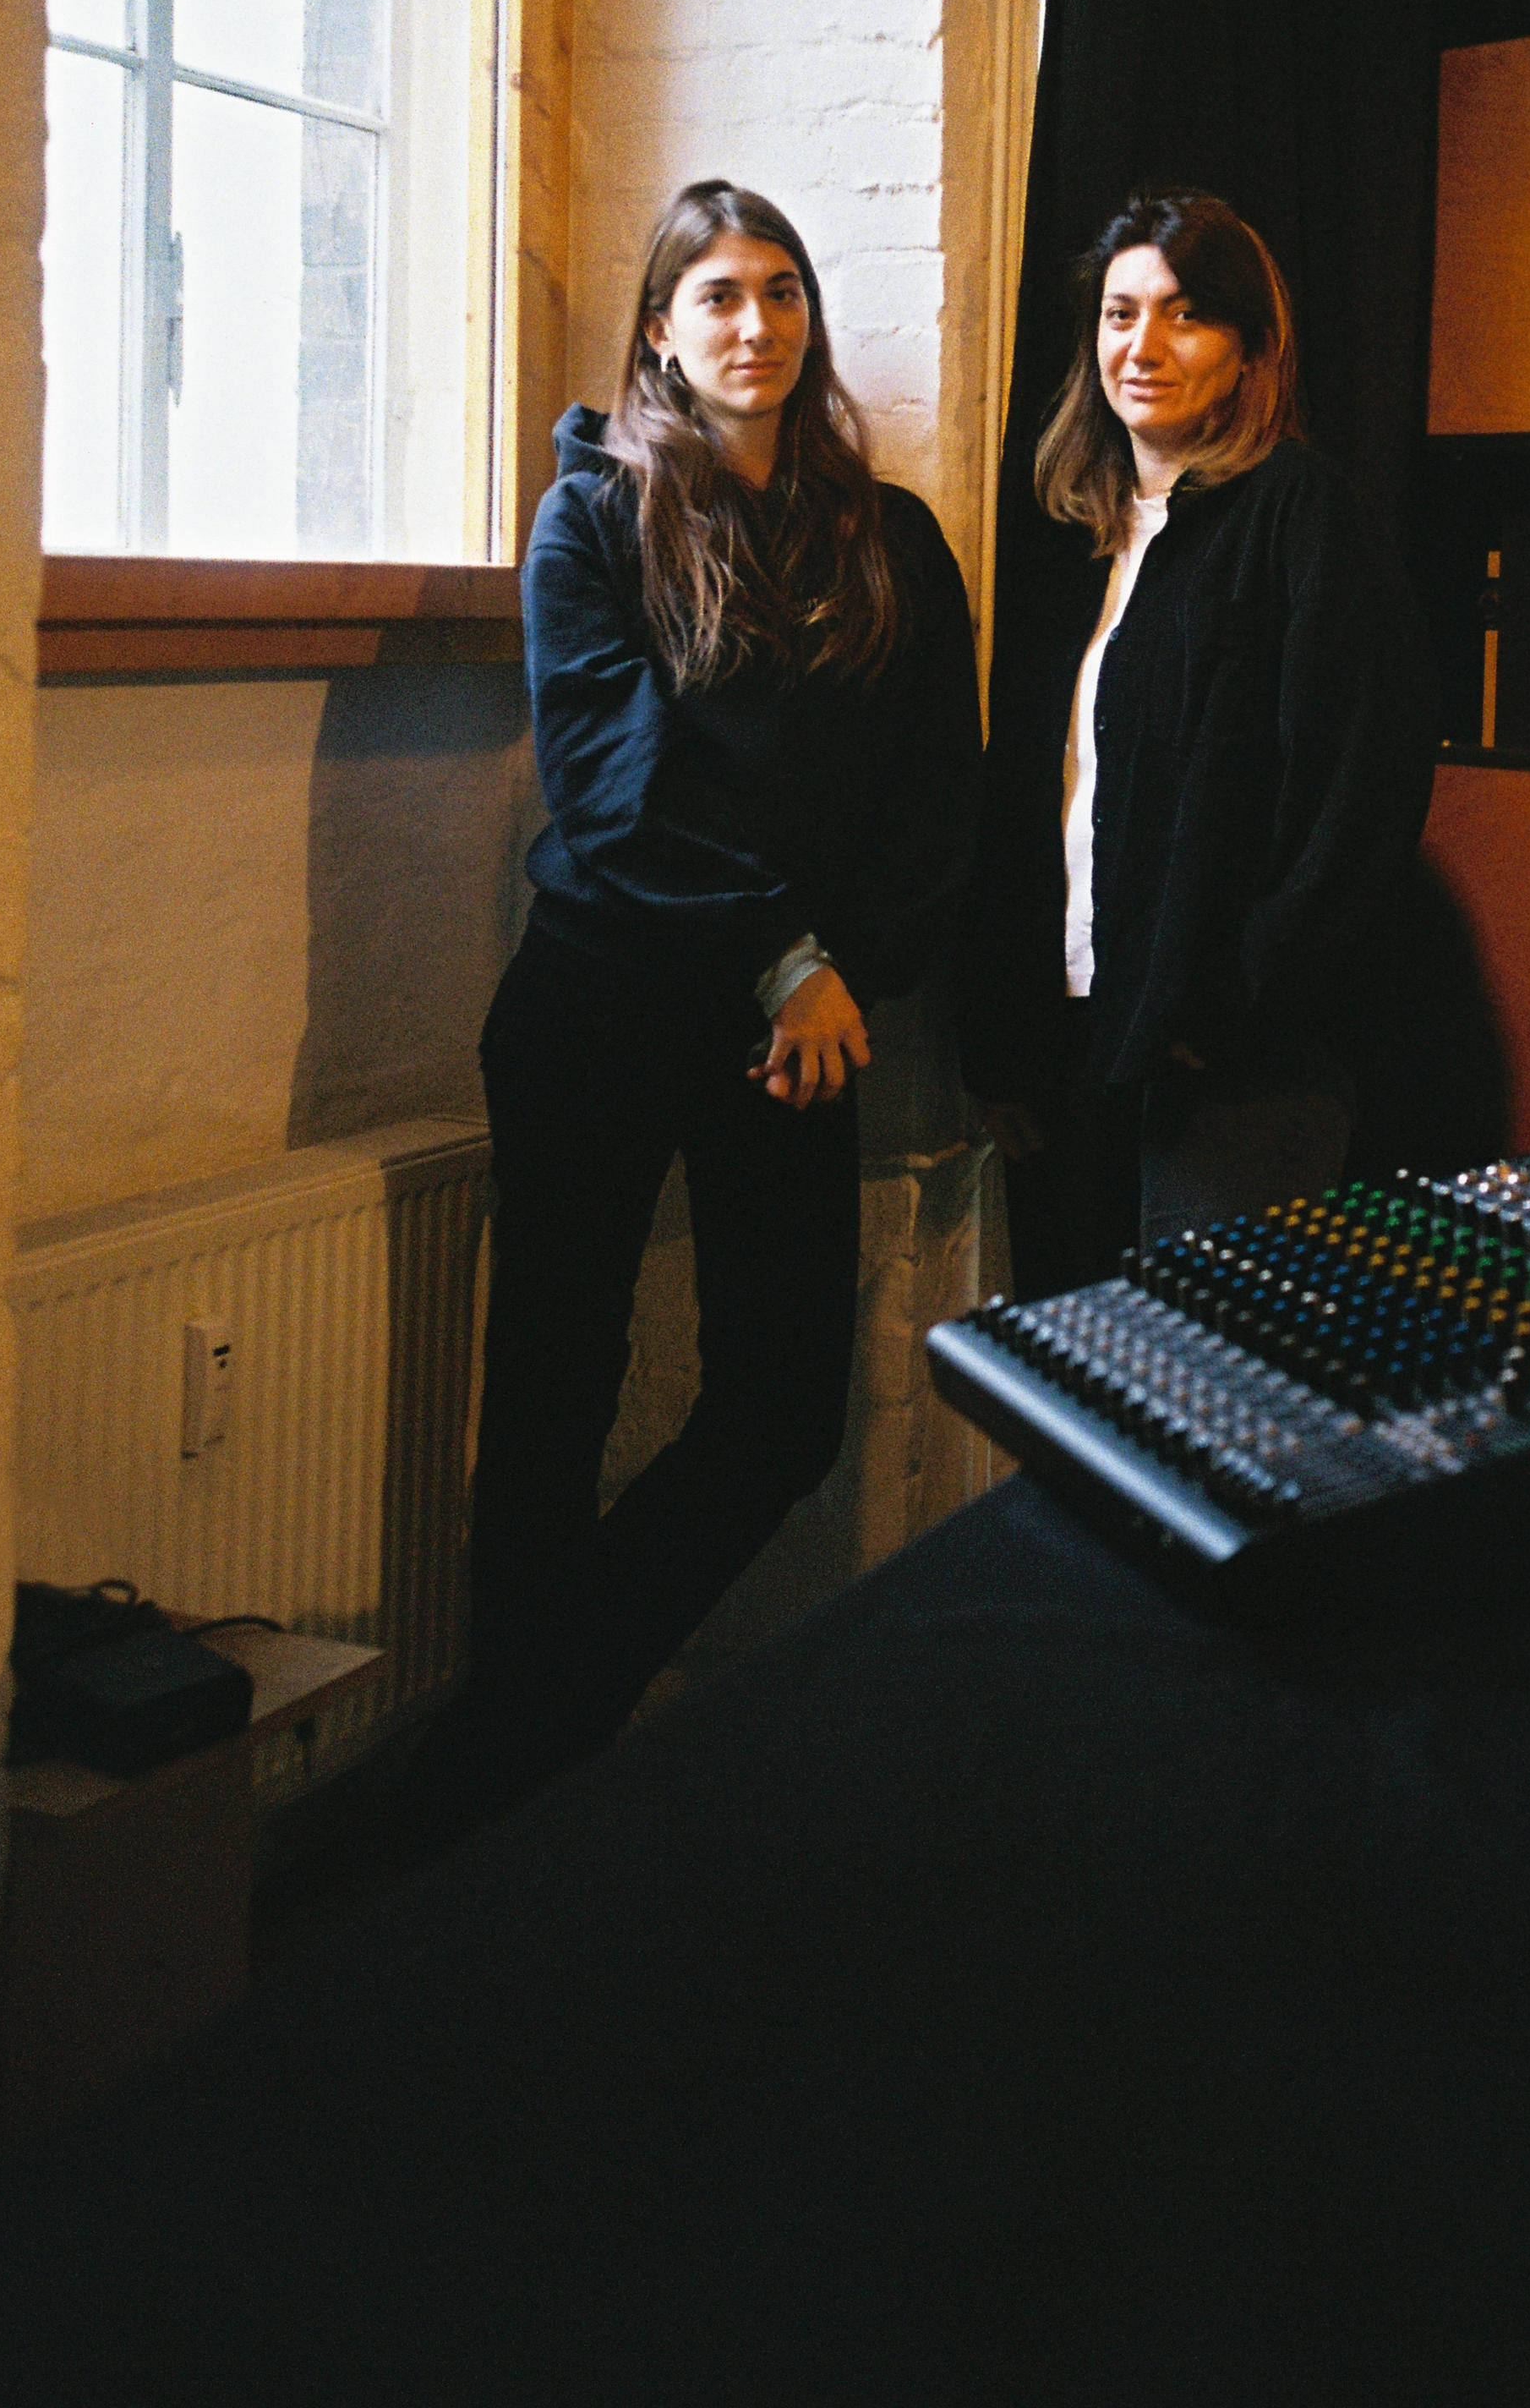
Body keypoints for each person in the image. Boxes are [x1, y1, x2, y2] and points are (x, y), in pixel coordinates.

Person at [410, 181, 980, 1839]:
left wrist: (837, 973)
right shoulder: (589, 517)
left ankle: (524, 1735)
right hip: (599, 1004)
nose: (756, 322)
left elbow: (937, 790)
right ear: (660, 330)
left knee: (782, 1412)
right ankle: (514, 1806)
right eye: (718, 294)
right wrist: (780, 952)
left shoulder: (892, 539)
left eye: (782, 290)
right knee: (551, 1405)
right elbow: (613, 781)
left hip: (793, 1037)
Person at [964, 189, 1434, 1301]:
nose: (1143, 346)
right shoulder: (1069, 538)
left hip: (1231, 1067)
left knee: (1206, 1378)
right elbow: (1024, 802)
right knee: (1078, 1375)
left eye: (1184, 315)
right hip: (1071, 1046)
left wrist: (1232, 1003)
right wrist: (1003, 1031)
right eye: (1120, 313)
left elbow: (1358, 792)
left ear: (1251, 349)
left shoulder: (1299, 516)